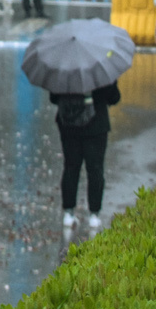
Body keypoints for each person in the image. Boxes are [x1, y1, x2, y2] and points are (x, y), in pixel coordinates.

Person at [50, 78, 121, 232]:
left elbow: (54, 98)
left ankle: (68, 213)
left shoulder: (64, 69)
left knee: (70, 167)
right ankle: (94, 215)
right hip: (96, 125)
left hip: (68, 123)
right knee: (95, 169)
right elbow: (114, 98)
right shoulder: (100, 70)